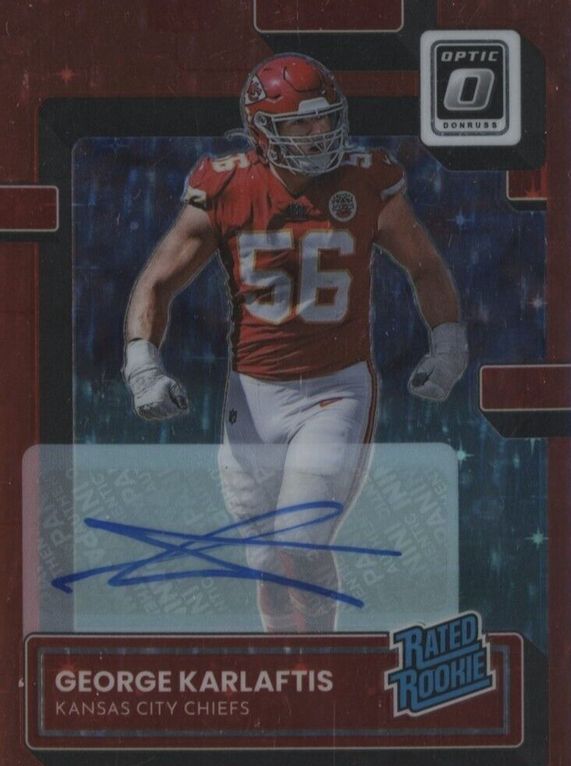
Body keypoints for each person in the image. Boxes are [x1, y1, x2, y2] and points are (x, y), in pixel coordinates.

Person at [123, 53, 468, 633]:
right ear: (261, 129)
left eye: (324, 117)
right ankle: (284, 661)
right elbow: (158, 280)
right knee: (267, 565)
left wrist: (448, 342)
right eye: (301, 122)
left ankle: (323, 662)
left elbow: (425, 265)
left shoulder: (366, 179)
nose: (319, 131)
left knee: (300, 542)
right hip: (252, 395)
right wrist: (143, 364)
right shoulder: (227, 185)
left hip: (336, 389)